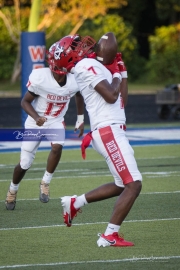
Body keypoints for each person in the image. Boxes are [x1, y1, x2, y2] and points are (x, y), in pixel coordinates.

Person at [58, 32, 142, 247]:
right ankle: (109, 235)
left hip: (112, 129)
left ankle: (75, 202)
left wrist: (122, 73)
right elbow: (111, 95)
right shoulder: (86, 65)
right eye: (76, 47)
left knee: (121, 184)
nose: (83, 48)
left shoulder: (91, 65)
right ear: (70, 56)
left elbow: (121, 100)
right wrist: (115, 74)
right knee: (133, 184)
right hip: (108, 131)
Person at [5, 36, 85, 210]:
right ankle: (13, 189)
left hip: (56, 121)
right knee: (25, 164)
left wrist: (80, 119)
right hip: (35, 123)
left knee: (57, 146)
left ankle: (45, 182)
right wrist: (36, 117)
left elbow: (79, 94)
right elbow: (24, 102)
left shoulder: (74, 79)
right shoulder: (41, 77)